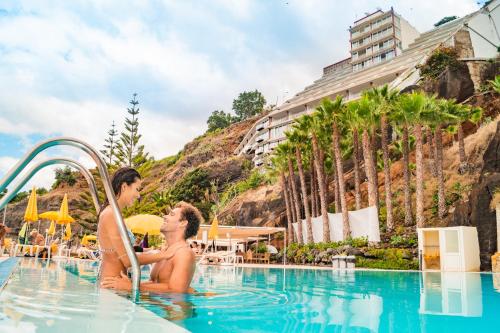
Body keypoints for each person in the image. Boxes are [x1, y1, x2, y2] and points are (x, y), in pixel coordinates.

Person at [101, 201, 203, 293]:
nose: (165, 216)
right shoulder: (166, 252)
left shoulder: (183, 253)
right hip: (159, 309)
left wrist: (132, 286)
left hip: (174, 312)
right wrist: (128, 284)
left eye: (171, 214)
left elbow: (176, 291)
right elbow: (154, 283)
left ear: (183, 223)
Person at [97, 167, 175, 282]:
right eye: (137, 189)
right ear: (124, 187)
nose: (138, 195)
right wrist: (163, 255)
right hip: (111, 285)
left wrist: (152, 252)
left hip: (115, 283)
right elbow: (127, 260)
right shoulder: (110, 215)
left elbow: (121, 251)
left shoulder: (114, 214)